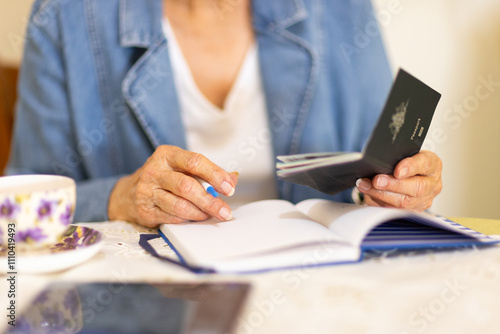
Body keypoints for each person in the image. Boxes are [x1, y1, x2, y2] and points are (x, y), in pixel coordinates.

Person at [6, 0, 442, 227]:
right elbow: (15, 213)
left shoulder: (341, 10)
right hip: (153, 308)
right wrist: (122, 198)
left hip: (320, 293)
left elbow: (379, 174)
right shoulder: (65, 19)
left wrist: (399, 190)